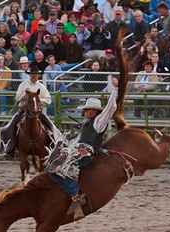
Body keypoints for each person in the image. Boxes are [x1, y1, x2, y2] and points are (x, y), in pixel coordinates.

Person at [45, 76, 120, 217]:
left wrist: (114, 90)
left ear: (97, 112)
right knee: (50, 166)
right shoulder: (86, 124)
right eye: (88, 110)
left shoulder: (98, 122)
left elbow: (111, 108)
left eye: (93, 110)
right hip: (76, 151)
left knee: (55, 166)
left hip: (85, 153)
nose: (90, 112)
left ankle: (76, 194)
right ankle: (73, 193)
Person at [0, 65, 59, 157]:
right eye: (32, 74)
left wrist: (38, 100)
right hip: (23, 111)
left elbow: (48, 99)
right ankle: (9, 148)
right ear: (29, 75)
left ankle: (54, 146)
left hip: (37, 112)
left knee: (51, 127)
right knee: (9, 127)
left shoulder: (41, 86)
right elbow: (17, 97)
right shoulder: (23, 85)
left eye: (35, 74)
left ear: (38, 75)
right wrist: (24, 97)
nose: (34, 76)